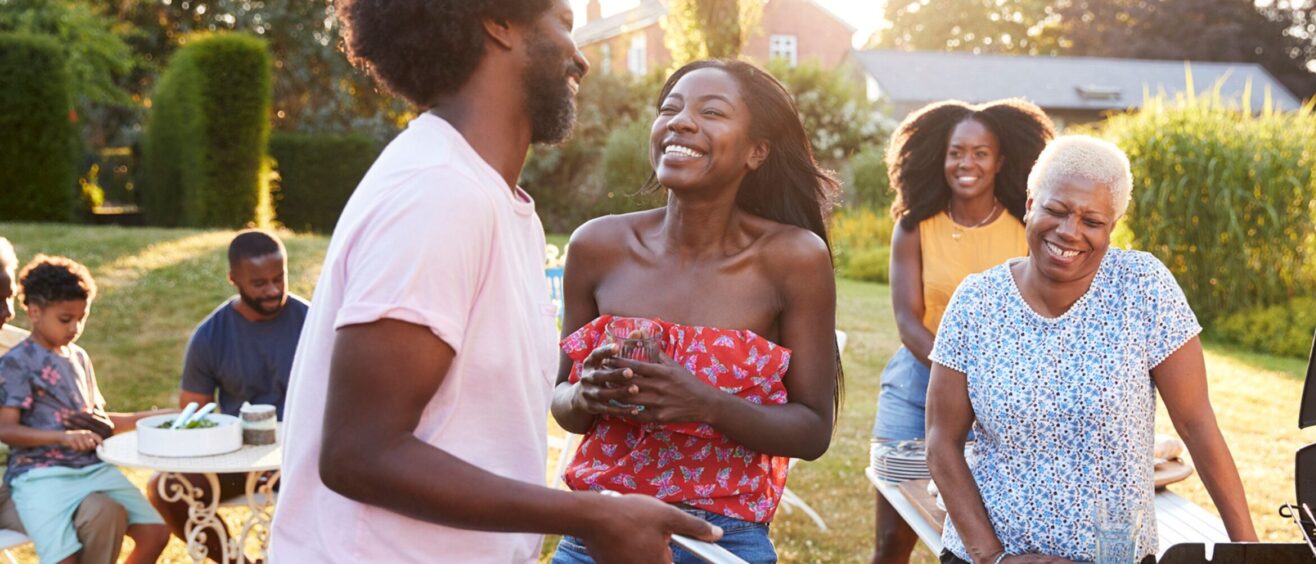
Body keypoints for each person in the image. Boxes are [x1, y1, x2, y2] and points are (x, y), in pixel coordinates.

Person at [270, 0, 720, 561]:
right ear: (498, 21)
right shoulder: (439, 193)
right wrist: (595, 514)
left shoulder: (495, 202)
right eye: (563, 24)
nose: (580, 59)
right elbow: (360, 452)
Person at [549, 59, 842, 564]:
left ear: (757, 151)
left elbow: (812, 430)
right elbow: (563, 406)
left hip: (720, 541)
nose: (681, 122)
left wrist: (706, 405)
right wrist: (586, 393)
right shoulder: (597, 245)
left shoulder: (794, 258)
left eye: (711, 111)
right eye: (670, 108)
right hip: (600, 529)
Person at [925, 136, 1258, 563]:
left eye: (1092, 221)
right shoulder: (976, 302)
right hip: (989, 555)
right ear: (1030, 204)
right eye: (1056, 210)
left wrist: (1252, 552)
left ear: (1111, 227)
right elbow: (941, 442)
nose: (1070, 231)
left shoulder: (1143, 288)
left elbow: (1197, 425)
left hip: (1114, 555)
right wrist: (995, 558)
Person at [871, 100, 1054, 563]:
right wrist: (962, 375)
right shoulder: (913, 226)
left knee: (970, 539)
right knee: (893, 540)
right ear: (941, 157)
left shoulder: (1026, 228)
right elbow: (909, 320)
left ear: (1001, 162)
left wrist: (993, 383)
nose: (966, 163)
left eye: (980, 153)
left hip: (1007, 393)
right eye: (956, 152)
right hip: (917, 388)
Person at [0, 255, 172, 564]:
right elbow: (6, 429)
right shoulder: (16, 363)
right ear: (35, 312)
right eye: (66, 319)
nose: (75, 327)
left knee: (156, 532)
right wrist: (63, 438)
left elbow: (99, 422)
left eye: (82, 317)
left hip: (92, 469)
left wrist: (155, 418)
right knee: (64, 559)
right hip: (39, 478)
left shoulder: (78, 357)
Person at [145, 230, 304, 561]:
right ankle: (234, 561)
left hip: (304, 456)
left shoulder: (312, 321)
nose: (273, 290)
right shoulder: (210, 336)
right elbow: (194, 417)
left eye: (279, 278)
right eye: (259, 283)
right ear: (234, 279)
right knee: (165, 490)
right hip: (237, 458)